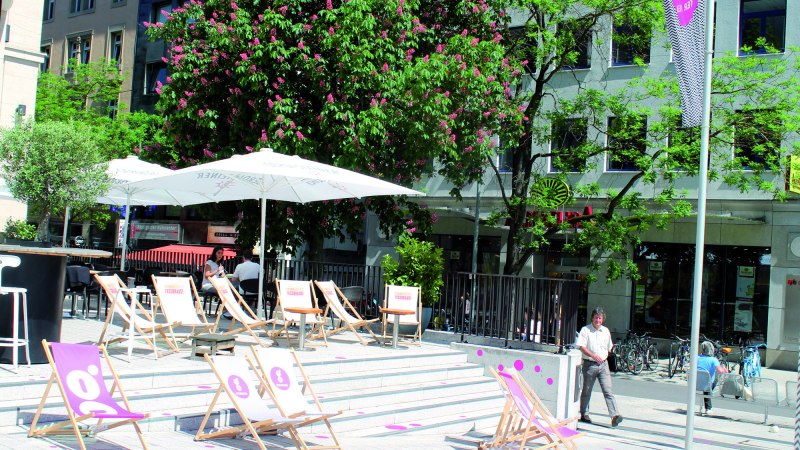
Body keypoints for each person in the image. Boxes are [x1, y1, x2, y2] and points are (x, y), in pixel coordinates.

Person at [577, 306, 622, 427]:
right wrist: (592, 355)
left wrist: (607, 354)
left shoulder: (606, 331)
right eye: (596, 317)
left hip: (603, 364)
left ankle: (615, 415)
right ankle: (584, 414)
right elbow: (581, 346)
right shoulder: (585, 330)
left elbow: (609, 346)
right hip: (589, 364)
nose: (598, 320)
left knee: (608, 391)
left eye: (600, 318)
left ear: (603, 319)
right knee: (587, 390)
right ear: (592, 318)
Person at [696, 340, 729, 415]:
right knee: (715, 379)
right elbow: (720, 371)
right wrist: (725, 370)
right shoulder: (714, 360)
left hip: (695, 383)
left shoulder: (697, 358)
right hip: (707, 385)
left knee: (705, 382)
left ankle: (707, 407)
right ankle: (708, 408)